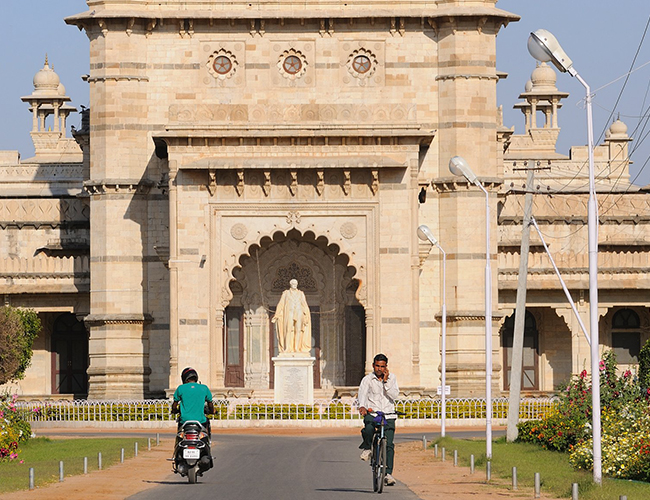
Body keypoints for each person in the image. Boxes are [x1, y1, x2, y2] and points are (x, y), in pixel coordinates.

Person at [358, 353, 400, 486]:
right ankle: (367, 448)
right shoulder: (368, 379)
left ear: (386, 367)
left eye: (382, 366)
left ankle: (388, 474)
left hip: (388, 414)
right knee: (368, 428)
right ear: (373, 366)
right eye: (377, 366)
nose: (379, 369)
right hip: (374, 412)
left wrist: (386, 382)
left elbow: (394, 395)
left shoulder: (392, 378)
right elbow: (362, 394)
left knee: (389, 444)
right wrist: (363, 407)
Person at [271, 278, 312, 353]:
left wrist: (306, 317)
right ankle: (288, 348)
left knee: (298, 330)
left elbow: (305, 305)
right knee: (288, 329)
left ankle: (297, 348)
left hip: (299, 313)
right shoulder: (286, 293)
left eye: (296, 284)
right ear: (290, 284)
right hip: (289, 313)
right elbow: (281, 304)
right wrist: (276, 315)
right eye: (293, 284)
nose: (294, 285)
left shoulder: (301, 293)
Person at [172, 367, 214, 437]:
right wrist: (212, 411)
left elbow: (174, 404)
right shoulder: (204, 388)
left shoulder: (181, 388)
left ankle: (178, 443)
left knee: (180, 434)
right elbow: (210, 403)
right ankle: (207, 442)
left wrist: (174, 411)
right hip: (201, 421)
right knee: (205, 430)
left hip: (184, 421)